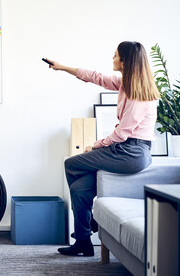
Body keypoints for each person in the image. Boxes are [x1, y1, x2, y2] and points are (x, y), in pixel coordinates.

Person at [48, 41, 160, 256]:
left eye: (116, 55)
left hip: (131, 152)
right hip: (126, 150)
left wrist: (95, 146)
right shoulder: (127, 85)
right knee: (79, 191)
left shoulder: (138, 95)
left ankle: (92, 221)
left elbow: (122, 134)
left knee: (71, 163)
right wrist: (62, 67)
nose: (113, 57)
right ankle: (83, 242)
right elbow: (95, 76)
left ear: (125, 61)